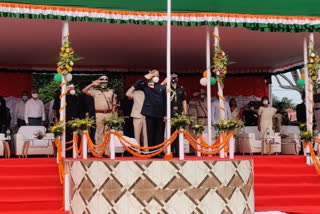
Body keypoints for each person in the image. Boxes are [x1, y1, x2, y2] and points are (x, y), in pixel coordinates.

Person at [133, 70, 166, 158]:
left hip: (160, 113)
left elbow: (165, 102)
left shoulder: (162, 87)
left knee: (159, 134)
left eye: (156, 76)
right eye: (153, 76)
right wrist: (145, 77)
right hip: (149, 112)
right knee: (150, 133)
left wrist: (165, 114)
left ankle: (158, 152)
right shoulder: (146, 86)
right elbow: (135, 85)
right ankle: (152, 152)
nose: (155, 77)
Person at [83, 75, 117, 157]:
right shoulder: (95, 91)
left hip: (108, 113)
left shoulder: (111, 92)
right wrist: (93, 84)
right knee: (99, 133)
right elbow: (84, 91)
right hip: (99, 113)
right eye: (102, 82)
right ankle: (99, 151)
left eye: (105, 82)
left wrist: (113, 116)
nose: (104, 84)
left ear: (107, 83)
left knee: (108, 133)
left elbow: (113, 105)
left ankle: (107, 152)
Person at [53, 84, 80, 157]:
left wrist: (73, 91)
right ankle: (64, 152)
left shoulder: (73, 97)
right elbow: (55, 108)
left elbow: (77, 104)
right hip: (63, 119)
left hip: (73, 119)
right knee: (64, 135)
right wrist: (55, 118)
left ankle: (73, 151)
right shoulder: (59, 96)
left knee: (73, 135)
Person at [168, 73, 187, 157]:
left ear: (177, 79)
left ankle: (178, 152)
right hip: (170, 112)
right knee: (171, 133)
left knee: (179, 132)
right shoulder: (168, 88)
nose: (174, 79)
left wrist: (185, 112)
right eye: (172, 78)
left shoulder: (181, 89)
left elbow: (184, 101)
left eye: (175, 78)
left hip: (179, 113)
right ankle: (171, 151)